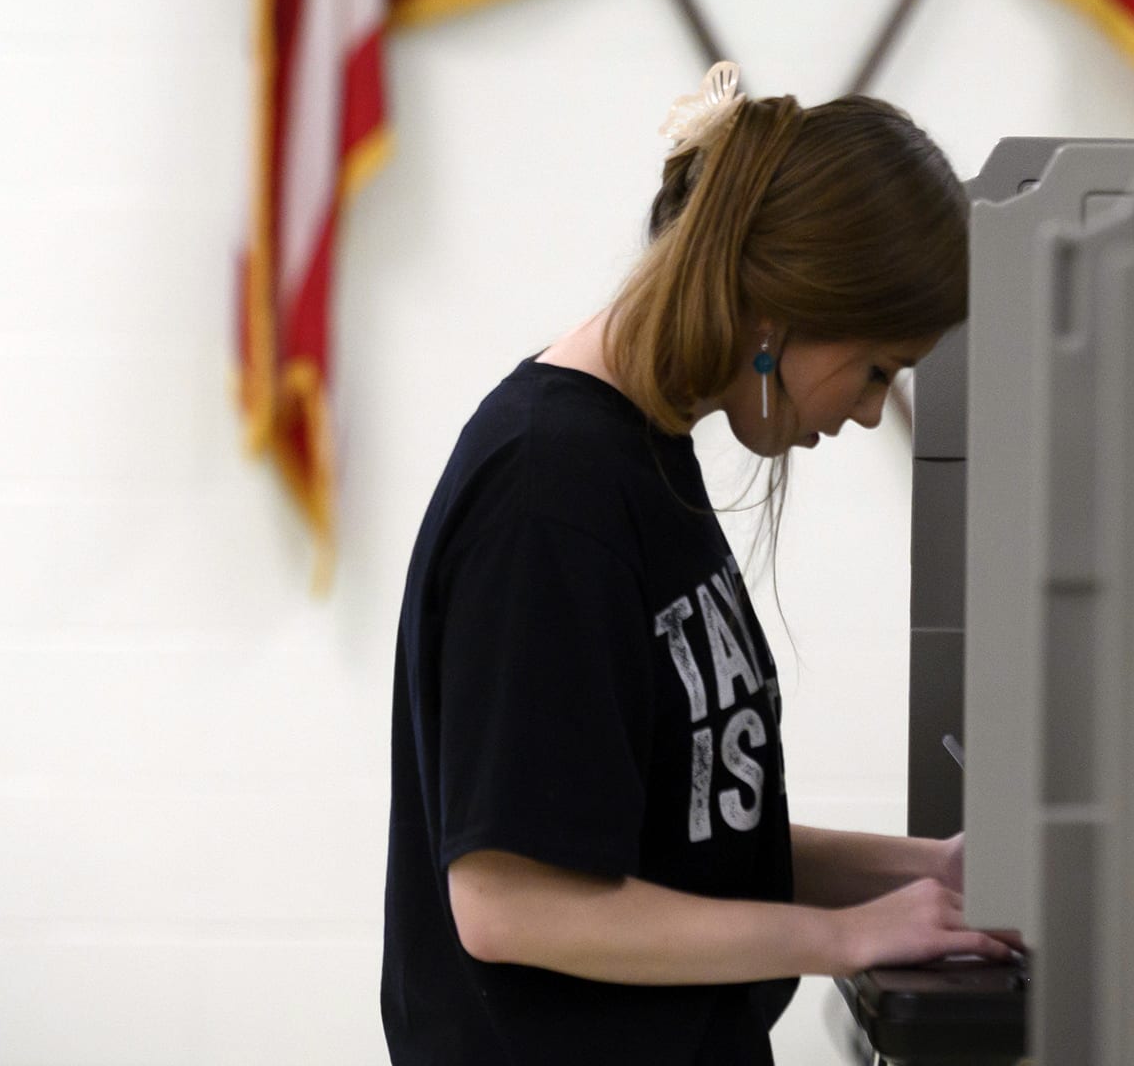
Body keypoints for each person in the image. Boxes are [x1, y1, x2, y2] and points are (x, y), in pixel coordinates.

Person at [381, 64, 1023, 1065]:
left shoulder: (642, 450)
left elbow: (690, 843)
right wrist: (841, 937)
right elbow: (512, 903)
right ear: (782, 313)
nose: (866, 409)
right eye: (877, 369)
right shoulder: (547, 494)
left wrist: (932, 872)